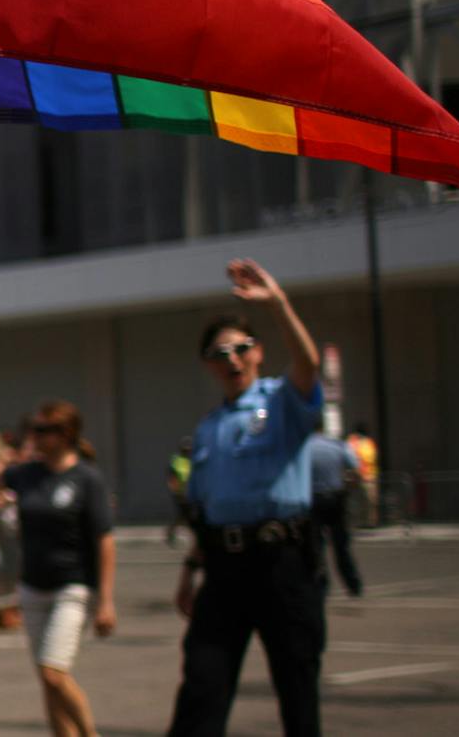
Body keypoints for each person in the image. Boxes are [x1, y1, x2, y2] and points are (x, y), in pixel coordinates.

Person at [168, 258, 326, 737]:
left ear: (257, 354)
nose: (232, 360)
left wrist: (277, 302)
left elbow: (309, 364)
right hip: (224, 568)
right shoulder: (208, 430)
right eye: (220, 354)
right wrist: (190, 573)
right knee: (201, 687)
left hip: (283, 563)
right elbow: (208, 510)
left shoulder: (282, 403)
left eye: (241, 349)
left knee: (297, 691)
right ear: (207, 365)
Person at [0, 397, 114, 737]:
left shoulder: (86, 479)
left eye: (42, 430)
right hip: (34, 587)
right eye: (32, 429)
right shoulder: (28, 473)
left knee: (54, 672)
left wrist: (106, 601)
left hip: (72, 587)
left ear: (65, 434)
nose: (33, 436)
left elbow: (104, 541)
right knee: (47, 680)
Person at [306, 425, 363, 595]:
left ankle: (322, 584)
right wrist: (348, 489)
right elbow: (355, 471)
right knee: (341, 546)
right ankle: (353, 583)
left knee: (316, 546)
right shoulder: (338, 445)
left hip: (313, 500)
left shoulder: (305, 447)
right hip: (336, 498)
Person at [344, 425, 379, 528]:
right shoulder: (354, 442)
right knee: (363, 500)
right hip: (361, 476)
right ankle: (361, 521)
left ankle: (370, 522)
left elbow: (370, 458)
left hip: (367, 476)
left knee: (369, 501)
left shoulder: (366, 443)